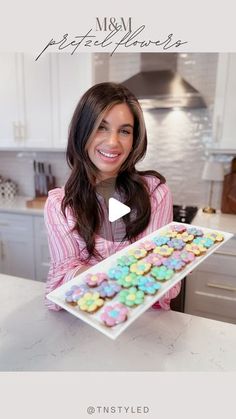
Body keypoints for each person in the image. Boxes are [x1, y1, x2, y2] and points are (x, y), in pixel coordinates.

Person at [44, 82, 181, 311]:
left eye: (125, 131)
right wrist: (131, 274)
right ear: (82, 131)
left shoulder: (155, 194)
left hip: (144, 329)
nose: (113, 142)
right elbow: (59, 283)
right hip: (85, 325)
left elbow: (166, 282)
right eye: (101, 127)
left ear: (134, 140)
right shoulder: (60, 205)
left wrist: (90, 274)